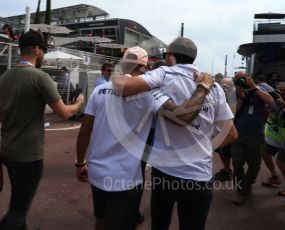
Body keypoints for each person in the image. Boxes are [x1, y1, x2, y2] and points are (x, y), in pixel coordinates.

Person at [76, 45, 215, 230]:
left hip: (97, 170)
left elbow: (85, 131)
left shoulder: (99, 90)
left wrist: (79, 163)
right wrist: (203, 87)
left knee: (101, 218)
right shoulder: (149, 93)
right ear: (143, 67)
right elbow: (184, 116)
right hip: (125, 177)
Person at [113, 37, 237, 230]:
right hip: (199, 176)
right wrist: (204, 148)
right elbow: (231, 134)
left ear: (170, 57)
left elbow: (125, 87)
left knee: (160, 225)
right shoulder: (216, 87)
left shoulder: (164, 73)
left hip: (165, 172)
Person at [0, 29, 84, 230]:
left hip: (8, 151)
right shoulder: (40, 77)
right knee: (18, 209)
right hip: (29, 155)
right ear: (37, 50)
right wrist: (79, 103)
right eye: (43, 52)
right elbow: (64, 113)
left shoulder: (4, 78)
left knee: (18, 200)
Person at [231, 71, 274, 205]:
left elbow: (271, 102)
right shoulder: (235, 93)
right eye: (238, 79)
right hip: (238, 134)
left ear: (250, 78)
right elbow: (232, 112)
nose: (242, 81)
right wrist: (241, 97)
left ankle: (247, 184)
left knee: (255, 165)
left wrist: (254, 87)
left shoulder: (260, 90)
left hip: (256, 135)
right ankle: (240, 190)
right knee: (237, 163)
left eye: (244, 78)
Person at [261, 82, 285, 197]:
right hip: (275, 135)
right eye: (279, 91)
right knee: (265, 154)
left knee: (281, 161)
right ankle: (274, 177)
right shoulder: (273, 101)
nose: (281, 93)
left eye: (284, 91)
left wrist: (280, 103)